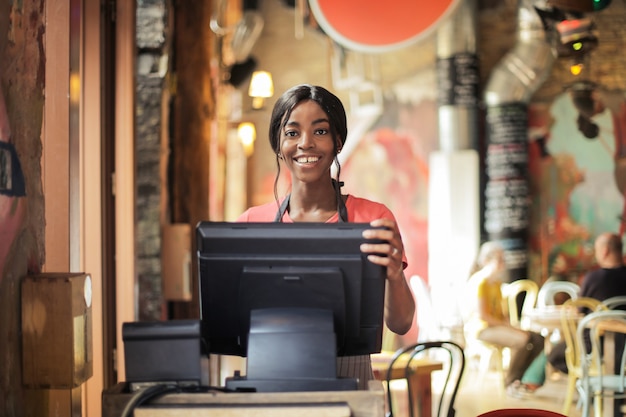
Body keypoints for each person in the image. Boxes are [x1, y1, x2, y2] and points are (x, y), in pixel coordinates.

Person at [236, 84, 416, 389]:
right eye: (292, 133)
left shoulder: (374, 219)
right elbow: (235, 325)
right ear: (278, 145)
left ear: (338, 142)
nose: (306, 143)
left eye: (320, 131)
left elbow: (400, 324)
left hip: (352, 382)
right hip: (271, 381)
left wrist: (395, 274)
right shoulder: (251, 223)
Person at [512, 232, 626, 399]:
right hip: (623, 350)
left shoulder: (594, 278)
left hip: (594, 346)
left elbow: (578, 312)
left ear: (605, 251)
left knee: (555, 352)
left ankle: (529, 384)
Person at [463, 241, 544, 391]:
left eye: (503, 260)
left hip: (497, 326)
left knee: (538, 339)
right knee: (523, 339)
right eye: (499, 259)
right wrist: (511, 328)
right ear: (486, 260)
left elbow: (502, 314)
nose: (503, 263)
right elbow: (484, 316)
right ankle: (511, 382)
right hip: (482, 329)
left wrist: (514, 326)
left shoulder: (496, 283)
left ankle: (521, 379)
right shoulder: (480, 282)